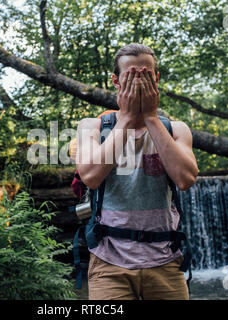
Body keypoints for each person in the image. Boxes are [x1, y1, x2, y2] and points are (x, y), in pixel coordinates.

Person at [75, 43, 199, 300]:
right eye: (131, 75)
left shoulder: (177, 129)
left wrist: (151, 117)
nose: (138, 82)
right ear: (116, 81)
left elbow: (186, 179)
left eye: (145, 75)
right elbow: (91, 177)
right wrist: (128, 119)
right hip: (109, 262)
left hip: (165, 260)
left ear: (156, 79)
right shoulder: (92, 127)